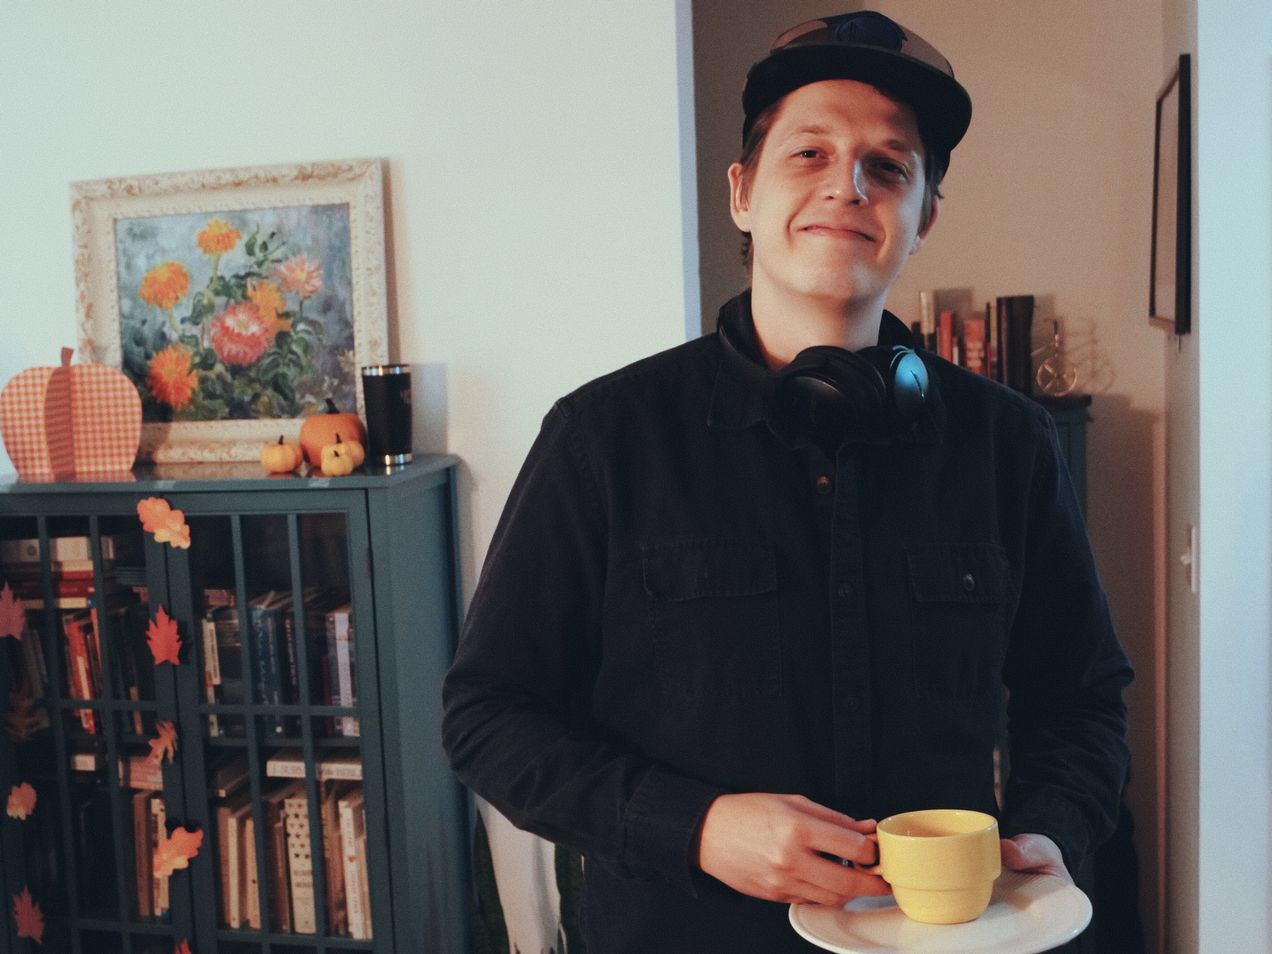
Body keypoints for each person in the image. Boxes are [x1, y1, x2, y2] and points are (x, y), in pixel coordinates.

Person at [442, 11, 1133, 953]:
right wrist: (696, 826)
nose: (847, 187)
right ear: (742, 192)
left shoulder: (1009, 443)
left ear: (923, 215)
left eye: (888, 166)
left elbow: (1082, 698)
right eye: (808, 154)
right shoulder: (604, 436)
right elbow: (488, 716)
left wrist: (1050, 831)